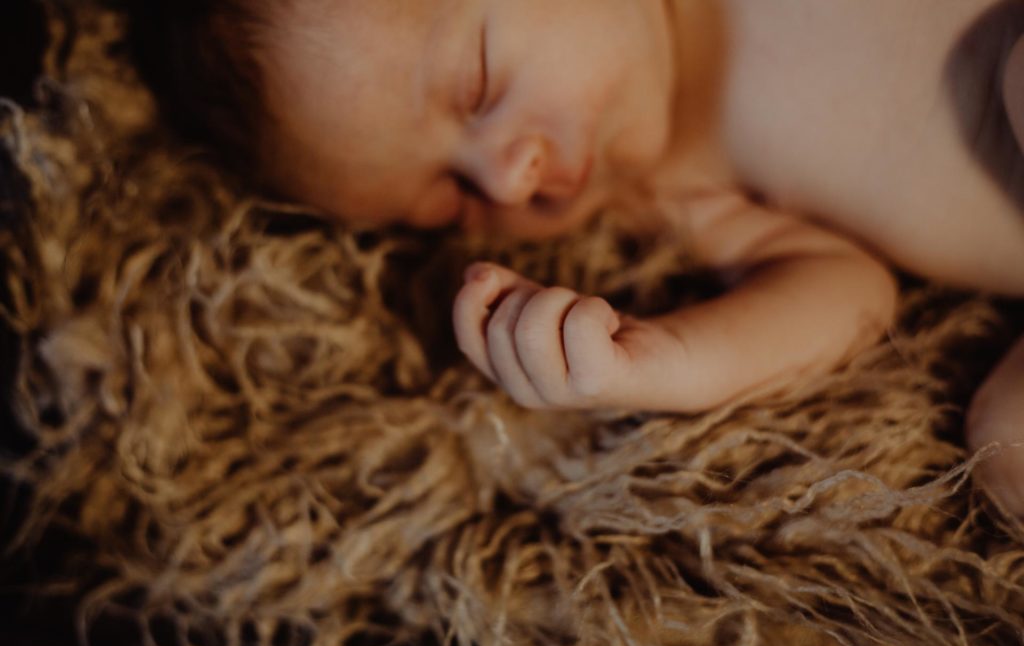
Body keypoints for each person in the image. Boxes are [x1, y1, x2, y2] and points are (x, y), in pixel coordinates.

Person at [128, 0, 1024, 512]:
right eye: (455, 198)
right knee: (1006, 444)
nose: (508, 177)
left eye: (479, 86)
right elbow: (850, 291)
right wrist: (670, 357)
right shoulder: (673, 189)